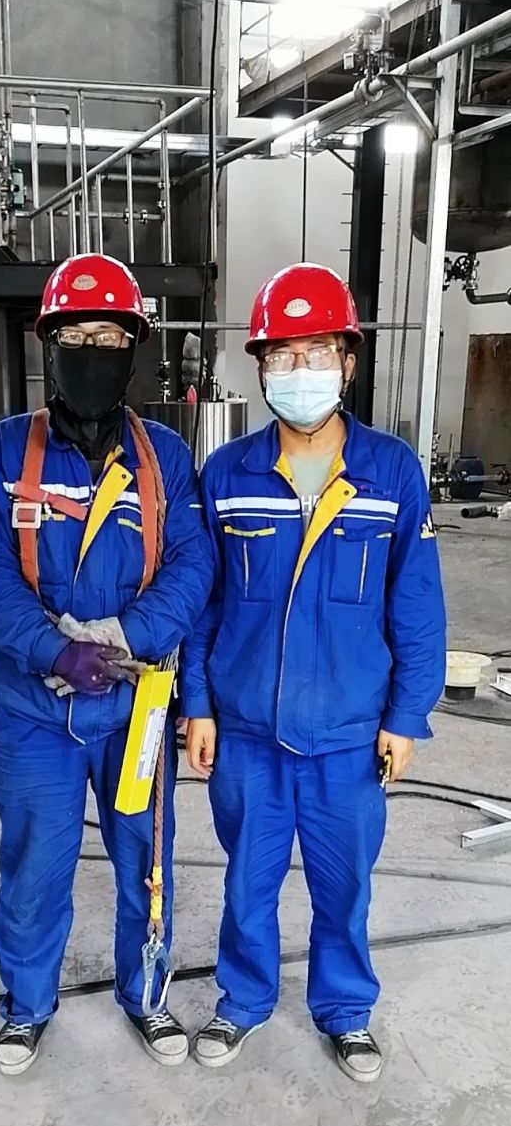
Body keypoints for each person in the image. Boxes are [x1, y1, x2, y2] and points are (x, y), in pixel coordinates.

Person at [182, 262, 446, 1082]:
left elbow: (416, 606)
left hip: (347, 734)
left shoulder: (390, 470)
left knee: (343, 887)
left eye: (317, 353)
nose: (299, 372)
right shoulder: (226, 473)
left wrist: (406, 716)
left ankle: (344, 1010)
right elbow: (203, 604)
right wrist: (198, 704)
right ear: (259, 369)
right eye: (281, 356)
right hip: (247, 733)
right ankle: (243, 1001)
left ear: (348, 361)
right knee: (247, 883)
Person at [0, 253, 212, 1076]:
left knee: (146, 860)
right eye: (75, 337)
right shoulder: (4, 451)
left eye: (109, 338)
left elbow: (191, 564)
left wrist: (122, 637)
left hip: (134, 710)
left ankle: (145, 994)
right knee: (35, 865)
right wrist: (53, 649)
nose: (92, 352)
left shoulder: (165, 457)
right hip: (35, 712)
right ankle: (27, 1005)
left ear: (133, 350)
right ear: (49, 346)